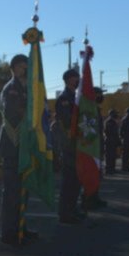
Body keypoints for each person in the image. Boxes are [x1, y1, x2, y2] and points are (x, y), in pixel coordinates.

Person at [0, 54, 39, 246]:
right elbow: (12, 113)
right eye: (22, 67)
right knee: (12, 192)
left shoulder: (27, 89)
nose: (25, 70)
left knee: (24, 190)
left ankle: (21, 226)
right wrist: (31, 112)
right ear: (13, 68)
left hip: (24, 145)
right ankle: (9, 232)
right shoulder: (11, 89)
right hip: (12, 145)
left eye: (27, 67)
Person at [54, 68, 85, 224]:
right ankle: (65, 213)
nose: (78, 80)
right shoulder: (64, 99)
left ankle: (73, 209)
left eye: (78, 77)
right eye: (75, 78)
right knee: (68, 181)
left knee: (77, 180)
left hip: (78, 144)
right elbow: (67, 121)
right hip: (68, 145)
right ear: (68, 80)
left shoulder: (76, 98)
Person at [104, 108, 120, 175]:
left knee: (113, 156)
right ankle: (108, 169)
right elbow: (110, 132)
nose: (116, 115)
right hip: (110, 141)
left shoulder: (113, 121)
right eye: (115, 113)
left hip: (113, 141)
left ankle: (112, 169)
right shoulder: (109, 121)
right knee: (109, 156)